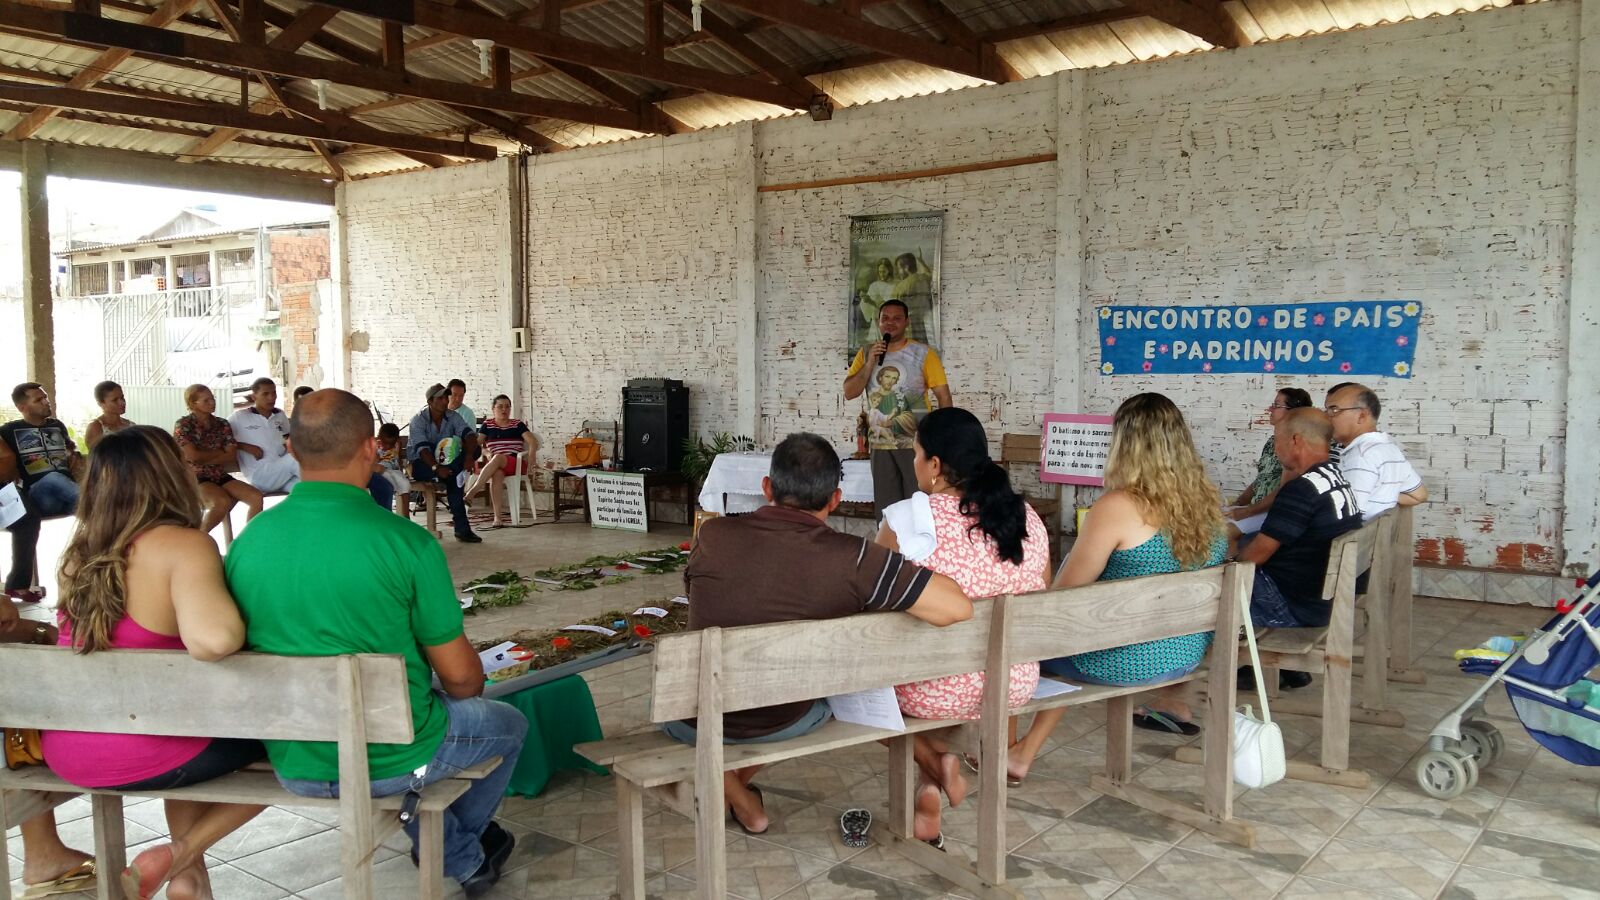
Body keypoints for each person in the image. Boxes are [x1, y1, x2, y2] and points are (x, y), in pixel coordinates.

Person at [225, 389, 526, 898]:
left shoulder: (248, 542)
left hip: (295, 758)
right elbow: (463, 680)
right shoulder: (406, 543)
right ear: (371, 449)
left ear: (291, 450)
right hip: (393, 759)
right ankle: (456, 850)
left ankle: (457, 849)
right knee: (509, 724)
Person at [676, 432, 972, 837]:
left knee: (794, 686)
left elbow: (693, 594)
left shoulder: (713, 536)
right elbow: (957, 607)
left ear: (767, 488)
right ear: (835, 499)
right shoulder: (855, 558)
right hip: (782, 716)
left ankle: (746, 804)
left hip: (692, 716)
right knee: (845, 686)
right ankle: (742, 798)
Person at [42, 426, 266, 900]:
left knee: (181, 724)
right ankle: (182, 854)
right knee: (301, 747)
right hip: (145, 749)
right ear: (169, 476)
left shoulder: (76, 556)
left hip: (69, 749)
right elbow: (214, 639)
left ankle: (190, 879)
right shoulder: (183, 545)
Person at [1010, 394, 1229, 777]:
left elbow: (1063, 598)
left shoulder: (1116, 507)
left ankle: (1013, 751)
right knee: (1072, 640)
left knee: (1015, 646)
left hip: (1125, 659)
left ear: (1125, 445)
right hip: (1185, 653)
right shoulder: (1207, 504)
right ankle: (1022, 753)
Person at [876, 408, 1049, 843]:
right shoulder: (1025, 516)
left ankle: (935, 768)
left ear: (934, 464)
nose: (915, 463)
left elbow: (873, 606)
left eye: (916, 454)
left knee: (857, 690)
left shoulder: (904, 519)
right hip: (1012, 681)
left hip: (930, 685)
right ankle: (930, 786)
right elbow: (1041, 594)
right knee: (948, 672)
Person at [1240, 408, 1363, 631]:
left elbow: (1254, 557)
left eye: (1277, 440)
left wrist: (1224, 564)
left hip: (1292, 606)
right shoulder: (1335, 477)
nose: (1276, 450)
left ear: (1295, 440)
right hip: (1324, 600)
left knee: (1206, 587)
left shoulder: (1301, 490)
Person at [842, 300, 952, 512]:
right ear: (878, 322)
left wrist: (943, 438)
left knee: (919, 505)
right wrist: (870, 362)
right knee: (887, 510)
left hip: (916, 445)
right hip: (880, 445)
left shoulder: (923, 354)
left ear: (907, 322)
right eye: (885, 318)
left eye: (897, 318)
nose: (890, 323)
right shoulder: (866, 353)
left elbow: (944, 396)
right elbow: (849, 392)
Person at [2, 383, 85, 603]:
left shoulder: (57, 425)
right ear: (22, 407)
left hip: (66, 494)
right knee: (52, 478)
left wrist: (74, 453)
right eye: (38, 400)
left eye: (45, 397)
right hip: (39, 496)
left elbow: (71, 448)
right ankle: (103, 505)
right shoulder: (9, 430)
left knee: (93, 516)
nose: (46, 402)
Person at [1326, 383, 1428, 519]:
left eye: (1334, 410)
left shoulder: (1361, 455)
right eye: (1326, 411)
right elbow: (1418, 495)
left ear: (1361, 416)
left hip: (1356, 533)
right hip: (1375, 531)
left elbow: (1348, 516)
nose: (1326, 418)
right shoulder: (1389, 449)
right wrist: (1381, 494)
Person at [173, 385, 264, 537]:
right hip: (195, 477)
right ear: (193, 403)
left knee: (256, 497)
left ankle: (248, 540)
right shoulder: (184, 425)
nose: (212, 402)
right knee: (221, 502)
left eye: (213, 398)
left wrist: (204, 456)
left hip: (219, 474)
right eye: (206, 400)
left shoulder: (222, 424)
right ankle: (198, 538)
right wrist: (219, 452)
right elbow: (193, 457)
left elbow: (231, 455)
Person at [1227, 388, 1313, 528]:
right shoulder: (1272, 441)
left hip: (1275, 513)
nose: (1270, 409)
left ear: (1292, 411)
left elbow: (1285, 491)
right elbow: (1262, 479)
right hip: (1256, 510)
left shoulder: (1296, 445)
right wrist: (1237, 504)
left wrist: (1246, 512)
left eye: (1276, 405)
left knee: (1225, 531)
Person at [409, 383, 481, 543]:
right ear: (430, 401)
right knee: (453, 478)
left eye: (445, 397)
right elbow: (422, 450)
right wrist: (437, 468)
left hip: (446, 462)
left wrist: (469, 456)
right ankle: (462, 529)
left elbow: (469, 435)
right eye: (440, 398)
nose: (445, 401)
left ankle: (452, 473)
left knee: (475, 450)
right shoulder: (418, 420)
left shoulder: (452, 416)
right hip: (422, 463)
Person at [463, 394, 538, 528]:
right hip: (495, 464)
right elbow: (476, 444)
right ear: (493, 409)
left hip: (516, 463)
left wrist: (532, 455)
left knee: (498, 457)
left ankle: (472, 492)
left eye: (507, 407)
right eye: (500, 406)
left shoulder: (517, 424)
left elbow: (532, 441)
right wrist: (486, 452)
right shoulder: (488, 425)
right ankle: (497, 517)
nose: (504, 409)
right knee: (497, 474)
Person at [229, 378, 299, 494]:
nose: (271, 397)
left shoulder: (279, 414)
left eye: (274, 393)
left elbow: (287, 438)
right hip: (259, 474)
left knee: (308, 488)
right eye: (265, 394)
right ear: (254, 397)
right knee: (294, 459)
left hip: (282, 473)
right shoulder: (239, 417)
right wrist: (244, 446)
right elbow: (221, 440)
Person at [85, 380, 133, 449]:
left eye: (122, 397)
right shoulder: (96, 428)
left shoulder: (131, 426)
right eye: (115, 400)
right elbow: (95, 455)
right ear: (101, 403)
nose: (122, 402)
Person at [376, 422, 412, 498]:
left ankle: (405, 506)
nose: (388, 446)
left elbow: (398, 460)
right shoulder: (375, 446)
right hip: (381, 471)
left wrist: (402, 470)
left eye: (391, 444)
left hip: (394, 471)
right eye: (385, 443)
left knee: (405, 483)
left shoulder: (397, 445)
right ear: (379, 437)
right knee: (388, 478)